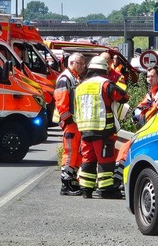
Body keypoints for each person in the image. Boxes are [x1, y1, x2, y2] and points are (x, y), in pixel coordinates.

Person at [74, 56, 129, 199]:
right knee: (105, 160)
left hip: (85, 130)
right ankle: (106, 190)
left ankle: (86, 189)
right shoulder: (105, 84)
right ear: (105, 70)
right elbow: (123, 97)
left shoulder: (80, 87)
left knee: (88, 160)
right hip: (103, 130)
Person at [54, 52, 86, 196]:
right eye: (79, 63)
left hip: (75, 122)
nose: (82, 67)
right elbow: (61, 102)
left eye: (83, 64)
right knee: (70, 152)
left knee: (76, 152)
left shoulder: (74, 78)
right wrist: (67, 120)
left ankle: (72, 181)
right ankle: (66, 184)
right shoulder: (66, 78)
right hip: (70, 122)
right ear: (71, 63)